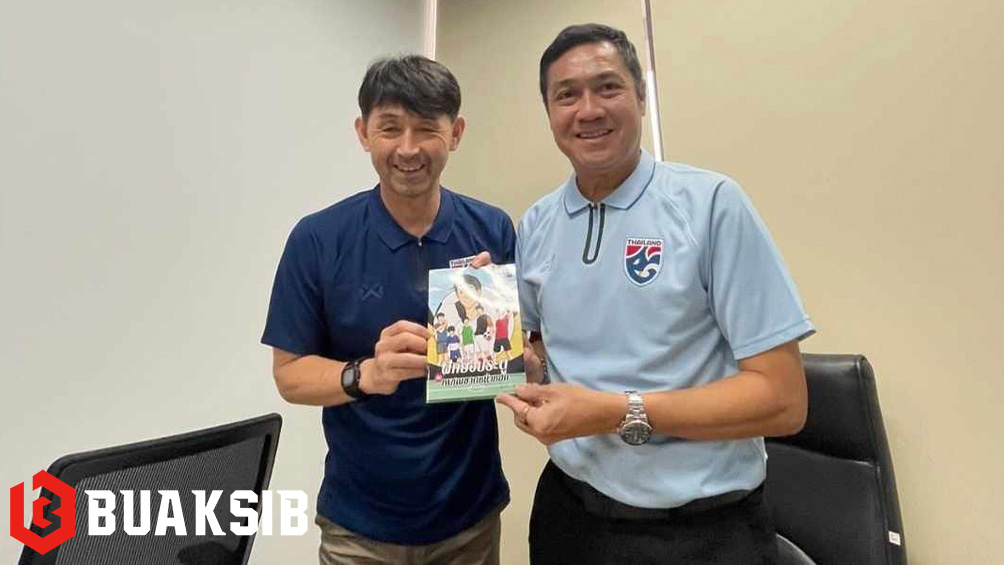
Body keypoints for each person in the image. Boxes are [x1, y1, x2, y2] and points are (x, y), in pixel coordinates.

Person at [496, 23, 815, 565]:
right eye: (567, 95)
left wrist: (614, 411)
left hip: (703, 532)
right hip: (569, 516)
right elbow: (541, 349)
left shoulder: (711, 205)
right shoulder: (536, 224)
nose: (588, 110)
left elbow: (784, 401)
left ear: (641, 97)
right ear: (549, 112)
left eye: (607, 87)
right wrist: (524, 367)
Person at [262, 55, 515, 565]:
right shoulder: (318, 239)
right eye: (390, 128)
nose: (408, 148)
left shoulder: (492, 230)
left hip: (469, 517)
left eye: (426, 128)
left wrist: (518, 360)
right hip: (359, 526)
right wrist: (367, 375)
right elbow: (289, 375)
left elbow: (523, 358)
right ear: (363, 133)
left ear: (455, 133)